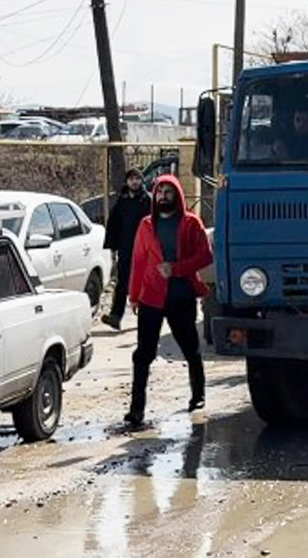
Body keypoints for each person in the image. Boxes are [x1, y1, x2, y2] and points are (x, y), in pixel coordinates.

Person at [124, 175, 213, 426]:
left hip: (181, 295)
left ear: (177, 195)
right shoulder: (146, 225)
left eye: (168, 192)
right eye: (159, 191)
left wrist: (176, 268)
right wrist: (134, 295)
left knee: (190, 349)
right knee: (143, 354)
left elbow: (205, 256)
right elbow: (138, 261)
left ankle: (198, 395)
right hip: (151, 296)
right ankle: (137, 409)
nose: (163, 196)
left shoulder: (191, 223)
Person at [101, 168, 152, 330]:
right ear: (127, 181)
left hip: (145, 250)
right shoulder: (122, 201)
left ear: (142, 181)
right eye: (131, 179)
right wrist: (112, 247)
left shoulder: (148, 201)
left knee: (145, 283)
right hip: (126, 249)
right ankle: (116, 316)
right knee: (122, 283)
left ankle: (146, 316)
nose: (134, 182)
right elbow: (114, 225)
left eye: (137, 179)